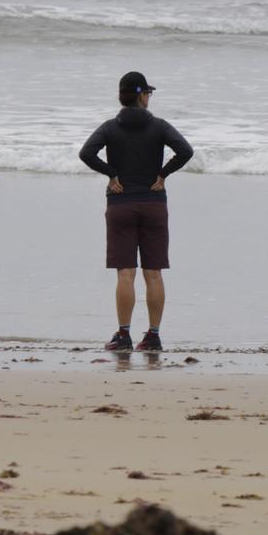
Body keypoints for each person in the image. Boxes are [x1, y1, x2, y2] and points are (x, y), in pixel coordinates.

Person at [79, 71, 193, 351]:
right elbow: (185, 151)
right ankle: (153, 336)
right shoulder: (159, 126)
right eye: (148, 94)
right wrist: (163, 174)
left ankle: (123, 335)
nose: (149, 98)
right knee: (153, 273)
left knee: (125, 273)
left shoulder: (110, 127)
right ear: (141, 95)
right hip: (154, 204)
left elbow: (86, 153)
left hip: (121, 204)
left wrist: (111, 174)